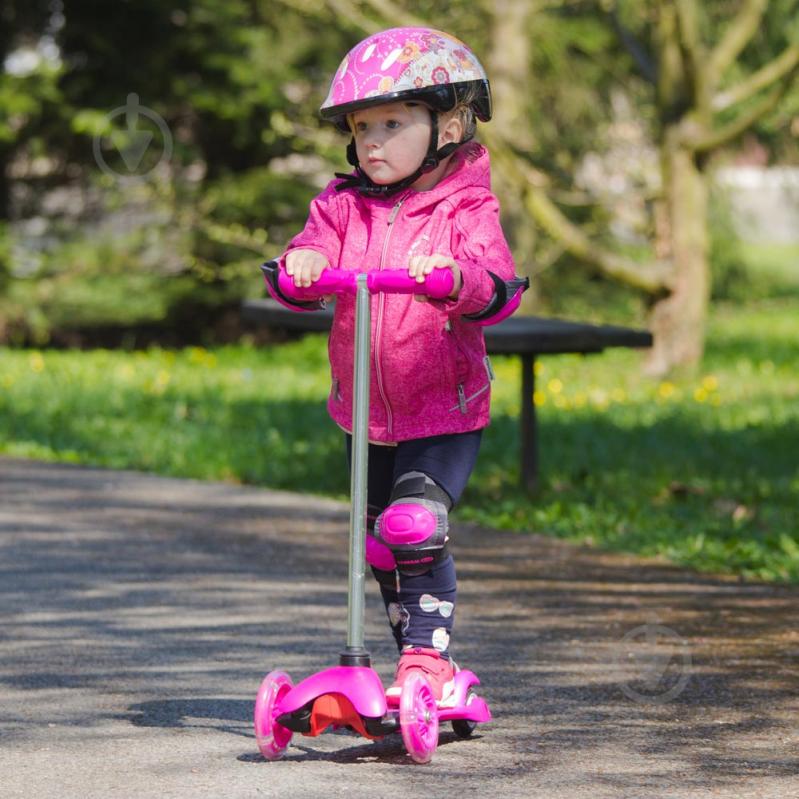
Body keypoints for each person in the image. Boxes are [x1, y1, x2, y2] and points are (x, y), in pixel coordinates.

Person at [276, 27, 524, 706]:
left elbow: (493, 282)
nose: (372, 142)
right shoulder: (340, 205)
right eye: (361, 127)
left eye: (392, 122)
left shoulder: (466, 205)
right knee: (381, 547)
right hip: (367, 410)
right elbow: (307, 254)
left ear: (447, 124)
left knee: (412, 525)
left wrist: (454, 279)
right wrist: (300, 267)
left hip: (441, 407)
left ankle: (428, 663)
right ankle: (405, 668)